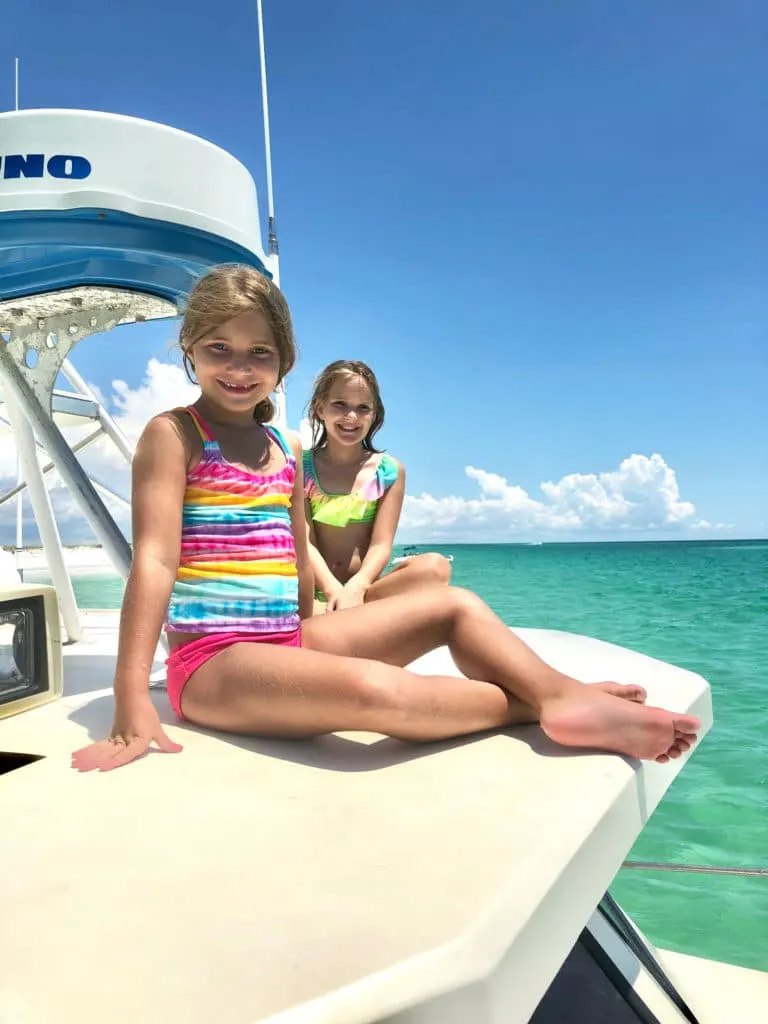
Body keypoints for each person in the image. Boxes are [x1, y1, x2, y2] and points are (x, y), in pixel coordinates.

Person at [72, 264, 700, 773]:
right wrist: (131, 696)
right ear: (189, 348)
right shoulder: (175, 435)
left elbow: (294, 555)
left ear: (284, 360)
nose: (239, 368)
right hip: (211, 662)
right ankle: (540, 705)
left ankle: (559, 691)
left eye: (259, 352)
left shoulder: (287, 449)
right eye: (219, 348)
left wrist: (312, 633)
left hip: (287, 638)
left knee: (454, 605)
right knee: (376, 692)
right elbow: (155, 560)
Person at [303, 359, 450, 613]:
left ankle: (348, 611)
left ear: (374, 415)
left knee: (436, 568)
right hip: (313, 592)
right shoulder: (300, 467)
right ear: (320, 409)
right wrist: (332, 590)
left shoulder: (389, 472)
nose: (351, 416)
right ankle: (335, 611)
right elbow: (305, 542)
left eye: (363, 408)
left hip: (364, 592)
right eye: (340, 404)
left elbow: (381, 546)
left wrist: (356, 587)